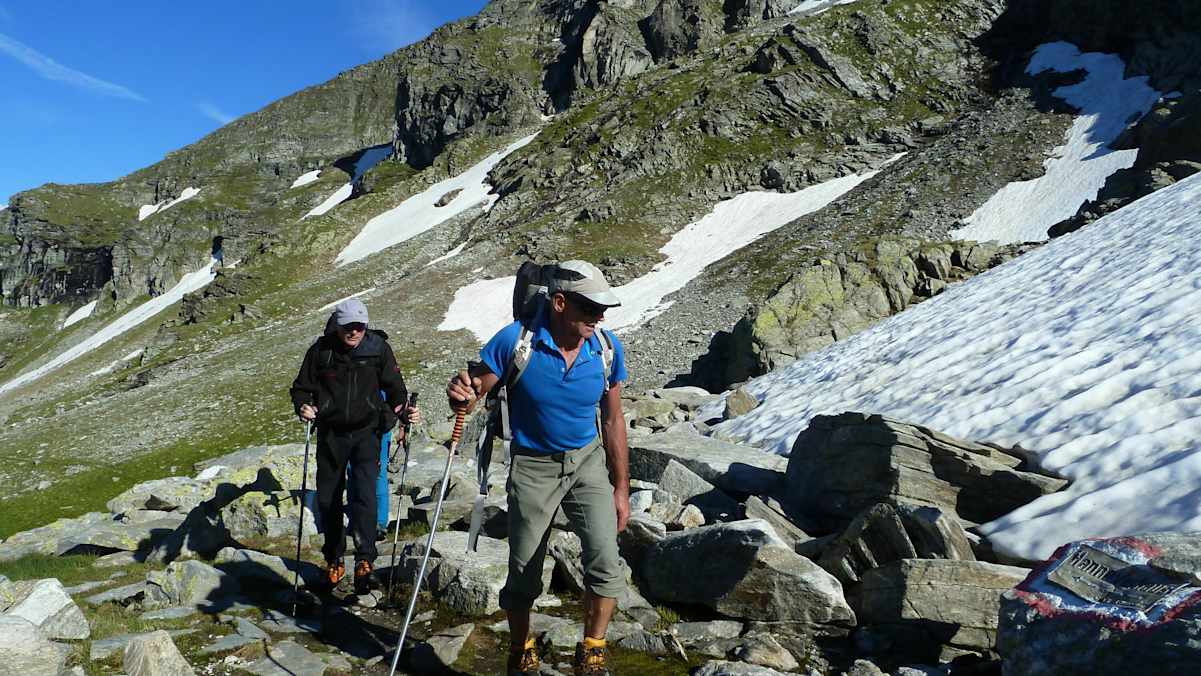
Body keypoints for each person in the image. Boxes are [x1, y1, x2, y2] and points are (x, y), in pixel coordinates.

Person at [447, 260, 630, 676]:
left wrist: (622, 488)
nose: (600, 317)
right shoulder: (517, 341)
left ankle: (593, 651)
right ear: (561, 302)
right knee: (525, 568)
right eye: (591, 308)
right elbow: (475, 389)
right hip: (533, 467)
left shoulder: (606, 347)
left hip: (587, 463)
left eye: (603, 309)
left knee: (605, 558)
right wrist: (461, 394)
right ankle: (521, 650)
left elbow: (613, 419)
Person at [290, 298, 416, 594]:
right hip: (331, 433)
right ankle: (334, 558)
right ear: (338, 325)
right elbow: (300, 388)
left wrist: (403, 412)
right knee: (328, 498)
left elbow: (396, 389)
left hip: (366, 433)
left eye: (360, 326)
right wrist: (303, 407)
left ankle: (365, 560)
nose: (355, 332)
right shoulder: (321, 352)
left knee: (364, 495)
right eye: (349, 326)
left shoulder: (378, 349)